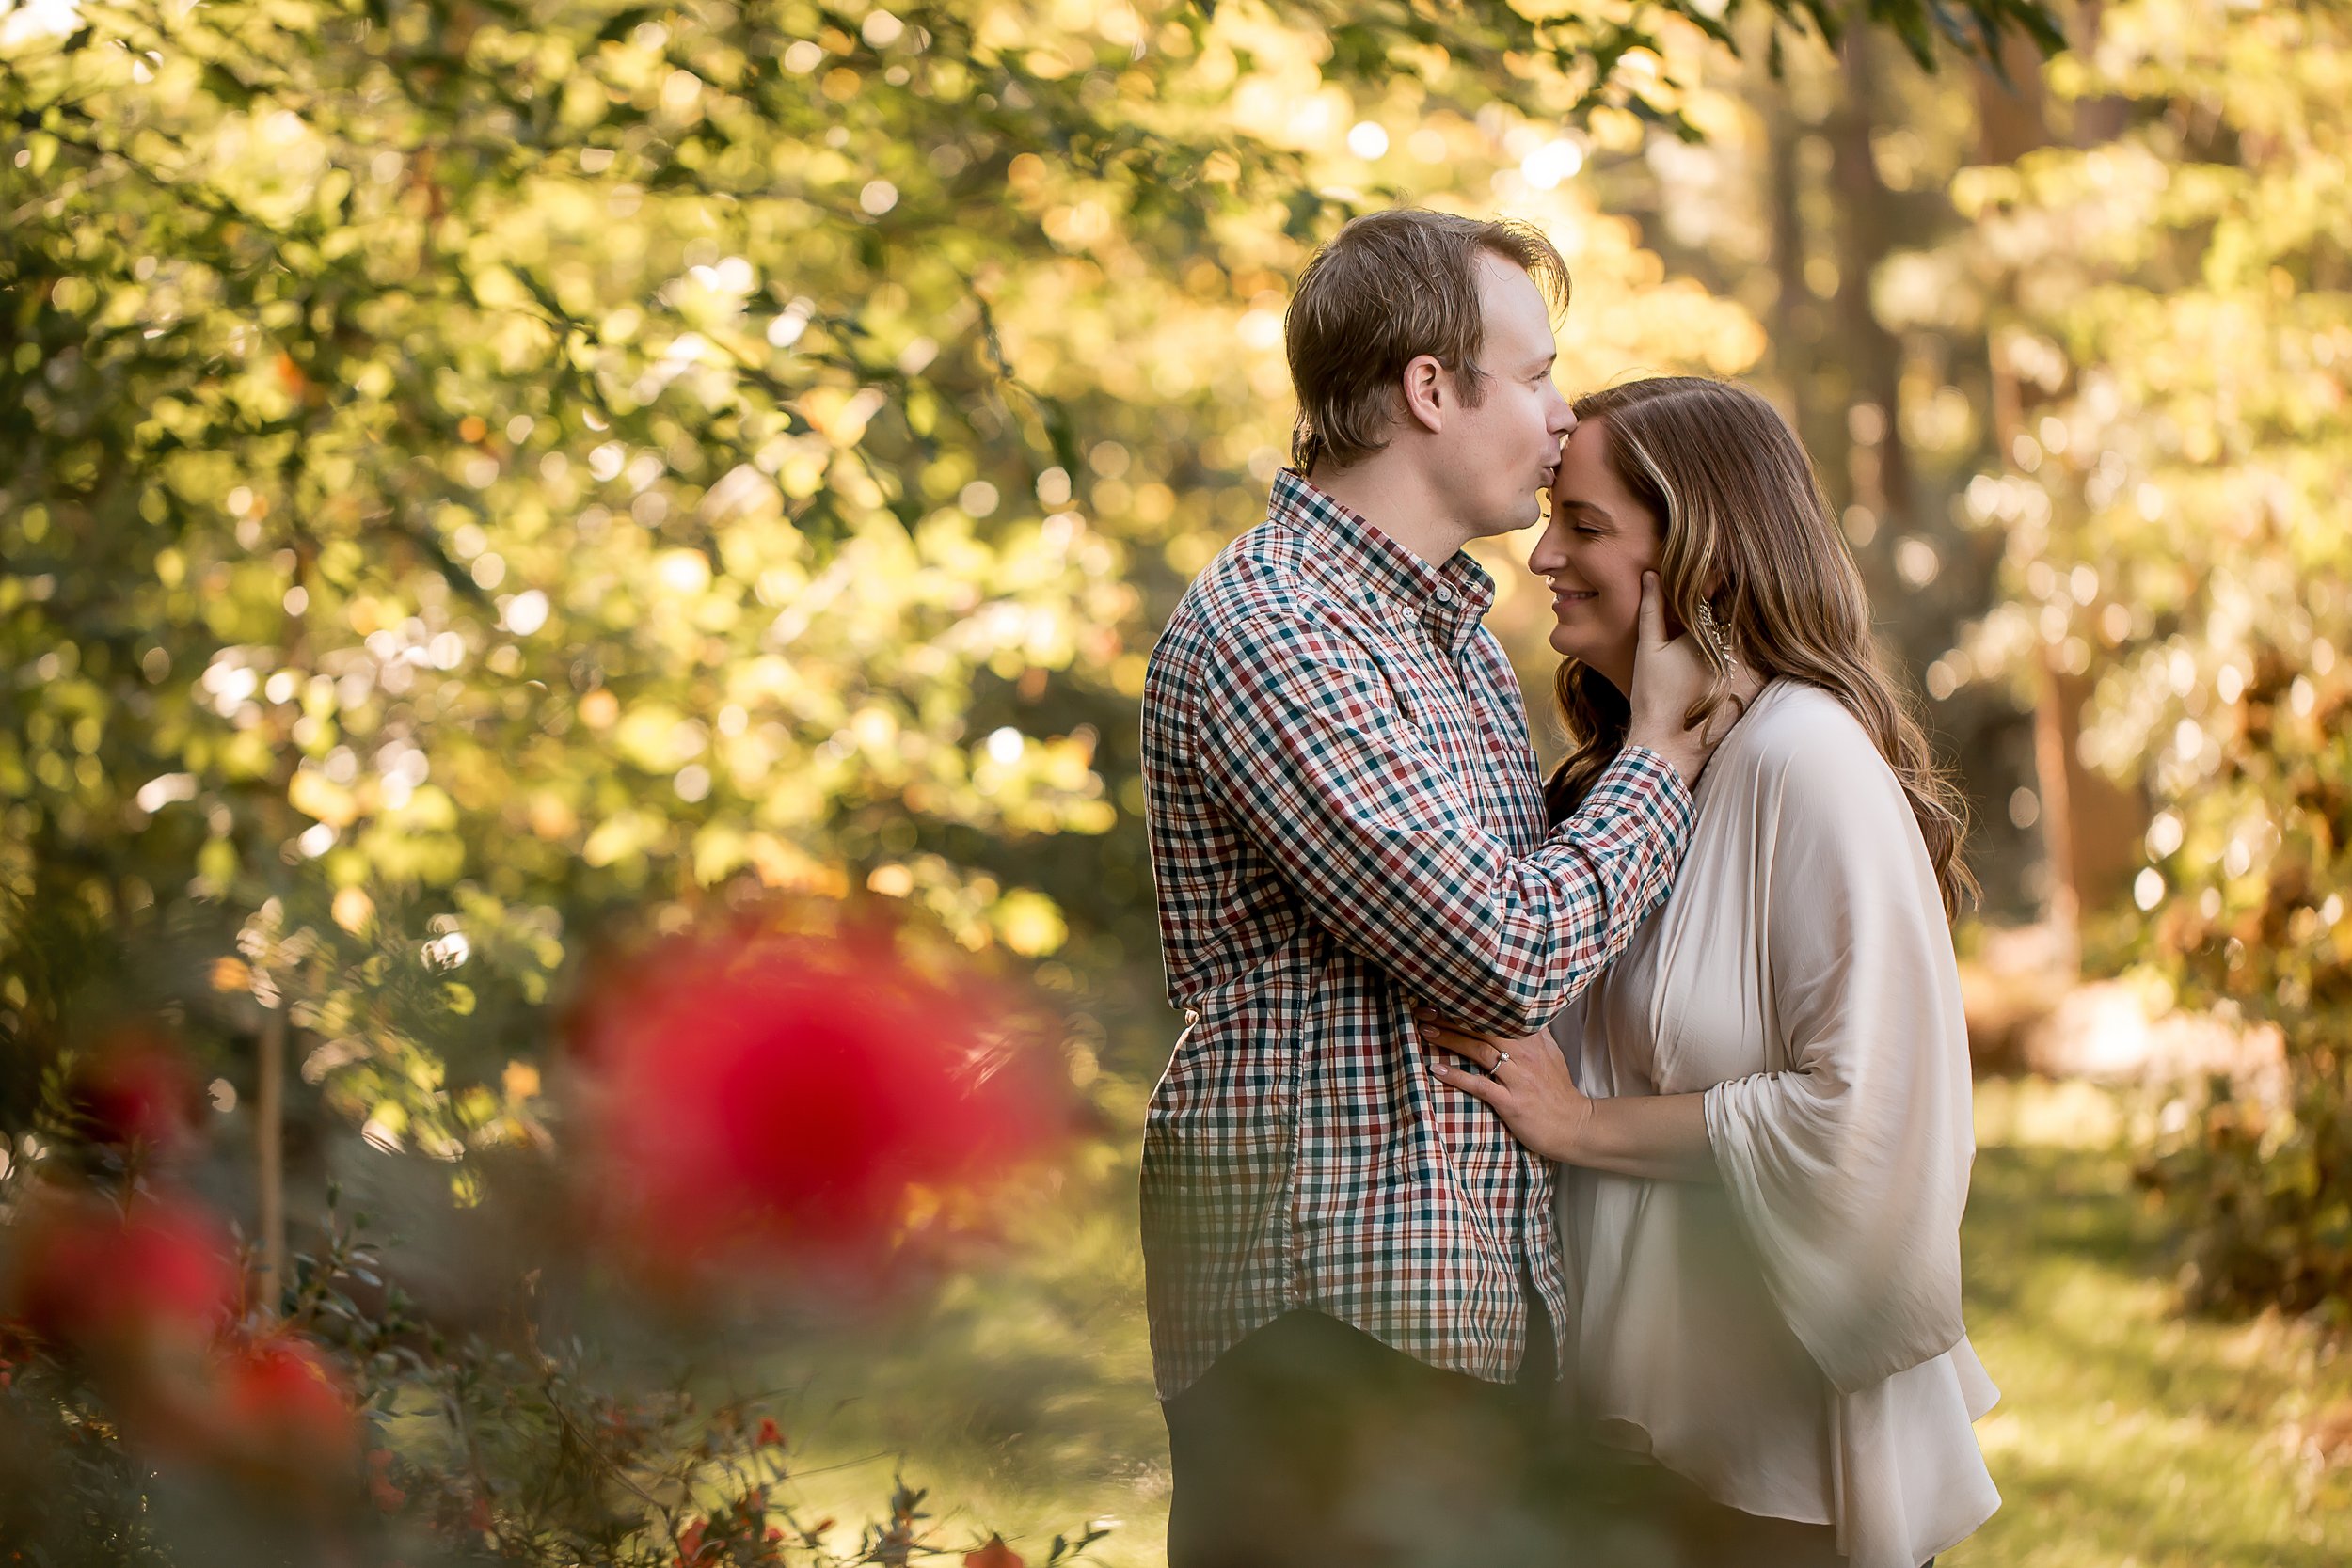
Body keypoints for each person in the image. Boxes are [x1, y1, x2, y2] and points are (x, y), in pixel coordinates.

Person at [1137, 208, 1736, 1568]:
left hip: (1452, 1302)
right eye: (1533, 375)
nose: (1557, 409)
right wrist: (1655, 748)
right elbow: (1500, 951)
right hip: (1327, 1323)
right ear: (1428, 388)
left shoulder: (1442, 639)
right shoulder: (1278, 628)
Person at [1418, 375, 1999, 1568]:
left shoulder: (1805, 761)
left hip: (1779, 1447)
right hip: (1637, 1440)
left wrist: (1581, 1126)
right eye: (1550, 517)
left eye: (1584, 526)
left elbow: (1866, 1116)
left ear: (1702, 560)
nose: (1540, 559)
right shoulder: (1616, 784)